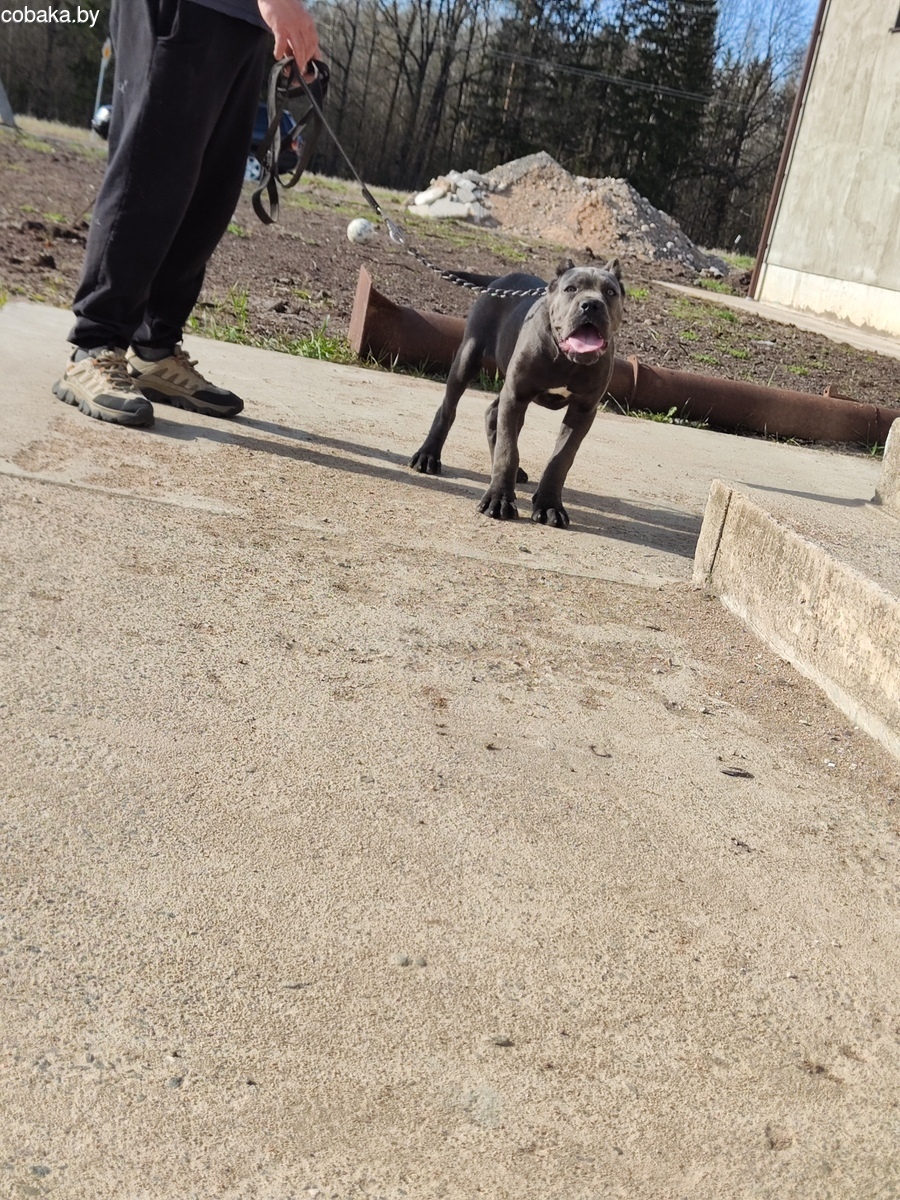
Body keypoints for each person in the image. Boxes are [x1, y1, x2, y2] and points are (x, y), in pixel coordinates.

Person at [53, 0, 320, 428]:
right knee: (151, 170)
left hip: (244, 19)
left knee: (210, 192)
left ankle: (154, 350)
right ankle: (95, 344)